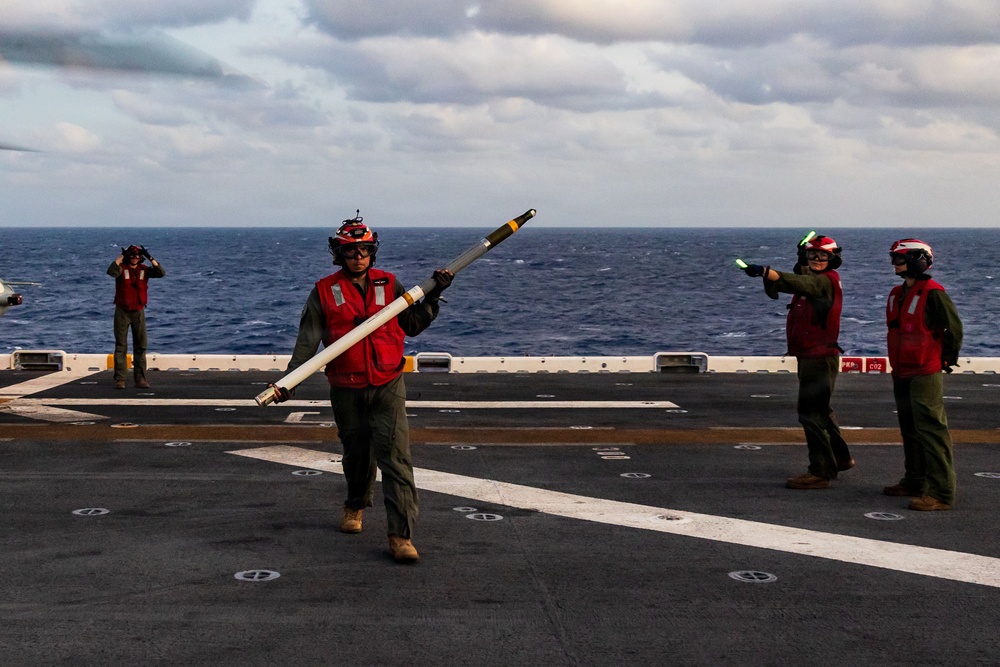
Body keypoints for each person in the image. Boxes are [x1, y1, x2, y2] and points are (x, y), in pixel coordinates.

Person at [272, 212, 453, 563]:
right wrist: (288, 381)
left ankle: (400, 536)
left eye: (365, 251)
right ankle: (355, 504)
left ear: (373, 253)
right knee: (357, 458)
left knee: (397, 460)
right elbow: (307, 342)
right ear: (339, 254)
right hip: (345, 388)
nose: (358, 257)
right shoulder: (323, 291)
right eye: (351, 251)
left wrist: (433, 298)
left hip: (388, 384)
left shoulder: (391, 284)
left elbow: (412, 326)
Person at [742, 234, 853, 489]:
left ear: (832, 259)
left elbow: (794, 282)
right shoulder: (814, 279)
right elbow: (791, 283)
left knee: (811, 414)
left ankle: (821, 471)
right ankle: (841, 456)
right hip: (811, 355)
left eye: (822, 255)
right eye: (812, 254)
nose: (816, 259)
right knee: (821, 410)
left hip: (819, 357)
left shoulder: (824, 282)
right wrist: (770, 275)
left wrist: (766, 272)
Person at [883, 239, 962, 511]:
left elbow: (953, 328)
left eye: (901, 258)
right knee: (910, 429)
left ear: (918, 260)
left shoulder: (933, 293)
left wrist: (945, 359)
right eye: (894, 259)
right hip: (902, 370)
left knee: (931, 430)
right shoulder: (898, 293)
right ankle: (914, 480)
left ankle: (941, 492)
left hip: (924, 370)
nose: (896, 263)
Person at [107, 245, 165, 390]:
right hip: (122, 311)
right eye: (132, 256)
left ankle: (140, 379)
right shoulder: (122, 269)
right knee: (121, 346)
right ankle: (120, 379)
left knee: (141, 346)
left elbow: (161, 272)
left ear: (140, 258)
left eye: (137, 256)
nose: (134, 258)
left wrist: (150, 256)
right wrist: (121, 256)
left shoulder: (144, 270)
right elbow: (111, 271)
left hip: (138, 311)